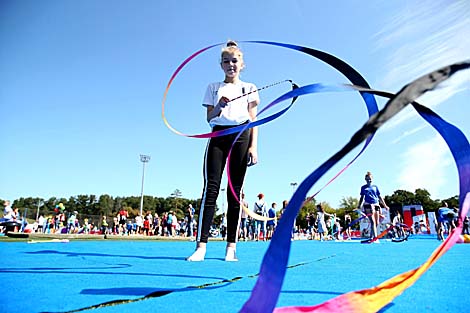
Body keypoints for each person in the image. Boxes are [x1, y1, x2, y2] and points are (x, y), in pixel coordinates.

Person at [186, 40, 260, 262]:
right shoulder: (213, 87)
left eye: (234, 61)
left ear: (242, 64)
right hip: (218, 135)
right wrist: (219, 106)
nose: (231, 65)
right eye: (226, 61)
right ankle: (201, 246)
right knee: (211, 188)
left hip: (241, 135)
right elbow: (209, 117)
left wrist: (253, 147)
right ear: (221, 65)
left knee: (234, 191)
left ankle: (231, 246)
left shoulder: (250, 87)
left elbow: (254, 119)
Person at [357, 171, 389, 242]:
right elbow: (361, 198)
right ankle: (375, 237)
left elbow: (380, 197)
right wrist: (359, 205)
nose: (369, 180)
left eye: (370, 179)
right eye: (367, 179)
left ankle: (371, 237)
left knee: (377, 222)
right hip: (368, 205)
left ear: (372, 179)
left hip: (376, 204)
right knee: (372, 221)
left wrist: (385, 205)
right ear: (365, 179)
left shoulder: (375, 187)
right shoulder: (363, 188)